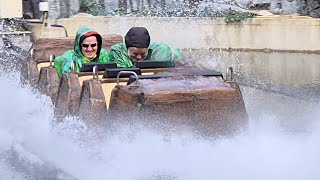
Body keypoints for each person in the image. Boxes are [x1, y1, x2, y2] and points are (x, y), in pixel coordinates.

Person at [109, 27, 184, 68]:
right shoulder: (117, 50)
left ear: (148, 49)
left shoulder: (161, 50)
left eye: (142, 54)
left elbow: (159, 72)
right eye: (135, 54)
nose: (138, 57)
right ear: (126, 48)